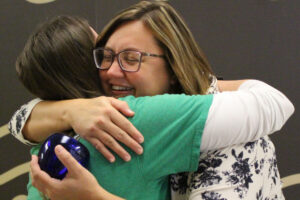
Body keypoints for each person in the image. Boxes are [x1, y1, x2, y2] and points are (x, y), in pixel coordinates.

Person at [9, 1, 294, 200]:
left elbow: (273, 103)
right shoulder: (120, 114)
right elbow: (18, 121)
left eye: (131, 59)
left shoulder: (48, 144)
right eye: (103, 57)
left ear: (172, 66)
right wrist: (73, 110)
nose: (110, 70)